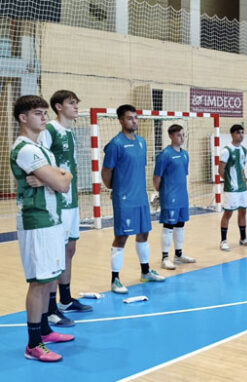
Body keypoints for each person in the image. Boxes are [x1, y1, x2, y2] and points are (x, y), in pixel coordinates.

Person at [11, 95, 74, 362]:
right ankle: (33, 344)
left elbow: (66, 176)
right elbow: (60, 184)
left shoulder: (43, 149)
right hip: (36, 221)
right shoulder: (26, 149)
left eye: (45, 113)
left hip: (51, 219)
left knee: (49, 277)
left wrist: (58, 176)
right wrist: (57, 178)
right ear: (23, 118)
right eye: (38, 113)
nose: (44, 118)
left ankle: (45, 330)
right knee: (38, 282)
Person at [37, 90, 91, 328]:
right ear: (58, 107)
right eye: (72, 103)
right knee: (55, 256)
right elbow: (41, 162)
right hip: (57, 202)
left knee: (70, 250)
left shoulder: (69, 132)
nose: (76, 106)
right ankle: (50, 310)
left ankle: (66, 299)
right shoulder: (49, 130)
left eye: (77, 102)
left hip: (73, 201)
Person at [102, 104, 165, 294]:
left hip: (141, 197)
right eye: (130, 118)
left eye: (135, 118)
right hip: (124, 199)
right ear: (121, 120)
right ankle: (115, 280)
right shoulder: (115, 144)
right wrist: (116, 188)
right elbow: (106, 173)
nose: (134, 121)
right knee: (121, 237)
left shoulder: (142, 142)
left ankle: (145, 272)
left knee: (144, 233)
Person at [153, 124, 196, 269]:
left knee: (180, 225)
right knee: (168, 226)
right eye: (179, 135)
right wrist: (162, 193)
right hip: (169, 196)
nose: (182, 138)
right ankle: (165, 257)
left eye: (183, 135)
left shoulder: (185, 154)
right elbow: (157, 178)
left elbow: (183, 175)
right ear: (171, 136)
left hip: (182, 196)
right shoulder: (165, 155)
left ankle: (178, 255)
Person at [219, 124, 247, 250]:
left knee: (243, 212)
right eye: (238, 133)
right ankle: (223, 241)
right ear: (233, 134)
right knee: (228, 213)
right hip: (231, 189)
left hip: (243, 188)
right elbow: (221, 170)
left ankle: (243, 238)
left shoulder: (244, 150)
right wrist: (230, 181)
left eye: (242, 132)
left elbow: (242, 167)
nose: (241, 135)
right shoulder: (226, 150)